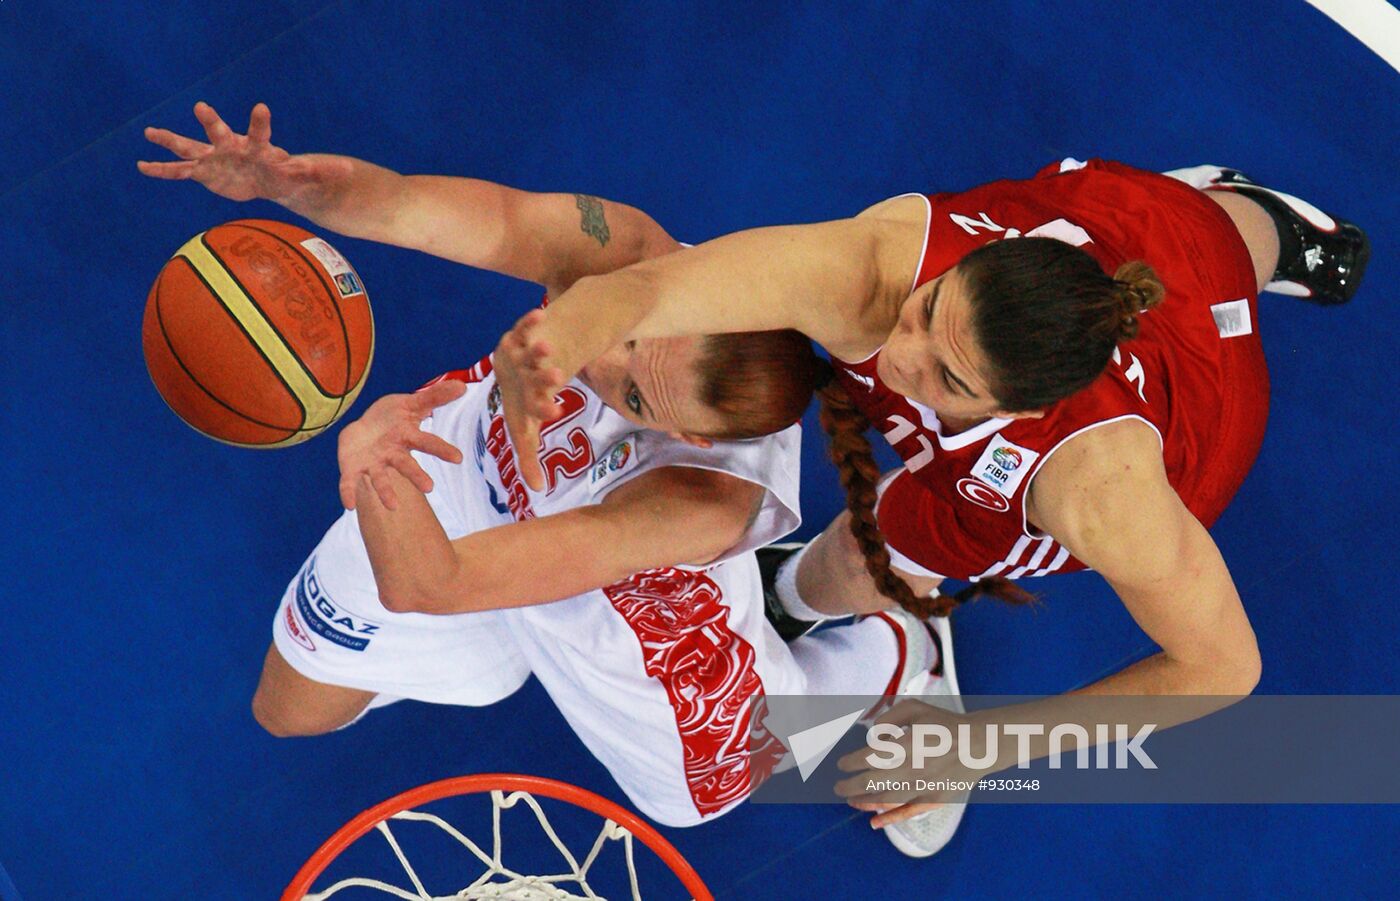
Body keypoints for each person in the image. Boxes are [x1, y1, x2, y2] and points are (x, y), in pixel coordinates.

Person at [491, 156, 1368, 854]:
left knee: (1213, 258)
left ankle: (1265, 227)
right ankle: (1249, 214)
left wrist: (981, 750)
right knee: (1181, 224)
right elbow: (649, 287)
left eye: (944, 376)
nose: (899, 360)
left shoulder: (1100, 492)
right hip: (1119, 232)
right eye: (927, 313)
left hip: (1175, 418)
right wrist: (555, 343)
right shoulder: (876, 271)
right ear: (973, 266)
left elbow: (1221, 668)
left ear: (1018, 408)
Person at [139, 103, 952, 828]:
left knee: (702, 796)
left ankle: (896, 648)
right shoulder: (626, 248)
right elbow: (424, 208)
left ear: (691, 438)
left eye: (632, 393)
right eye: (631, 328)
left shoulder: (700, 504)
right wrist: (292, 185)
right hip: (465, 483)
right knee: (288, 711)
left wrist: (367, 451)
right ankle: (502, 653)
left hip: (618, 622)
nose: (598, 361)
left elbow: (435, 580)